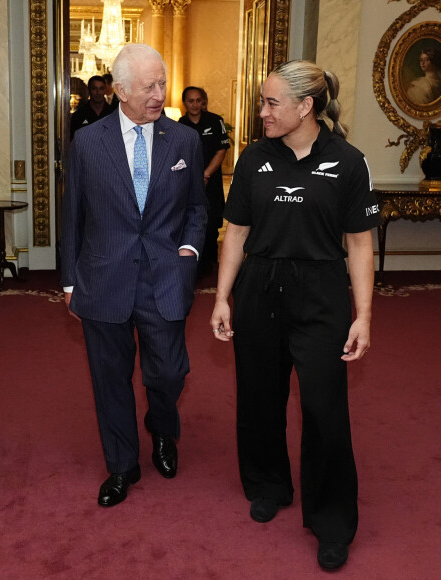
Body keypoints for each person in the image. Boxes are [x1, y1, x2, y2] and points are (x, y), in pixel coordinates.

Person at [210, 60, 380, 571]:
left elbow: (359, 245)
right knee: (260, 396)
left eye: (270, 103)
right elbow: (235, 232)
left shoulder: (349, 163)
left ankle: (331, 521)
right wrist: (222, 297)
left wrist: (364, 315)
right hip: (259, 288)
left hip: (321, 294)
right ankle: (269, 484)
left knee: (325, 408)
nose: (261, 111)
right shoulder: (253, 158)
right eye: (263, 101)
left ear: (306, 107)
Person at [62, 44, 208, 508]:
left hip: (165, 277)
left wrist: (189, 250)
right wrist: (69, 283)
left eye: (162, 83)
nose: (160, 93)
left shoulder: (184, 140)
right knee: (110, 378)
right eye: (149, 86)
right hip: (104, 278)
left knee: (168, 372)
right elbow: (73, 218)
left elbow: (198, 210)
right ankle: (122, 466)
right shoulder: (87, 142)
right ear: (120, 90)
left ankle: (163, 429)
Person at [179, 87, 230, 277]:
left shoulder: (215, 121)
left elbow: (222, 150)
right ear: (184, 102)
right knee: (191, 223)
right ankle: (194, 267)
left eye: (198, 100)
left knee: (212, 225)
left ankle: (212, 265)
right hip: (188, 185)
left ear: (204, 102)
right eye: (190, 101)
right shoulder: (180, 125)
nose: (195, 104)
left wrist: (206, 174)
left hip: (211, 184)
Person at [70, 75, 115, 140]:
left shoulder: (113, 114)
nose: (98, 92)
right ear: (89, 90)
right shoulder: (78, 116)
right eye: (94, 89)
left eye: (101, 89)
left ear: (105, 90)